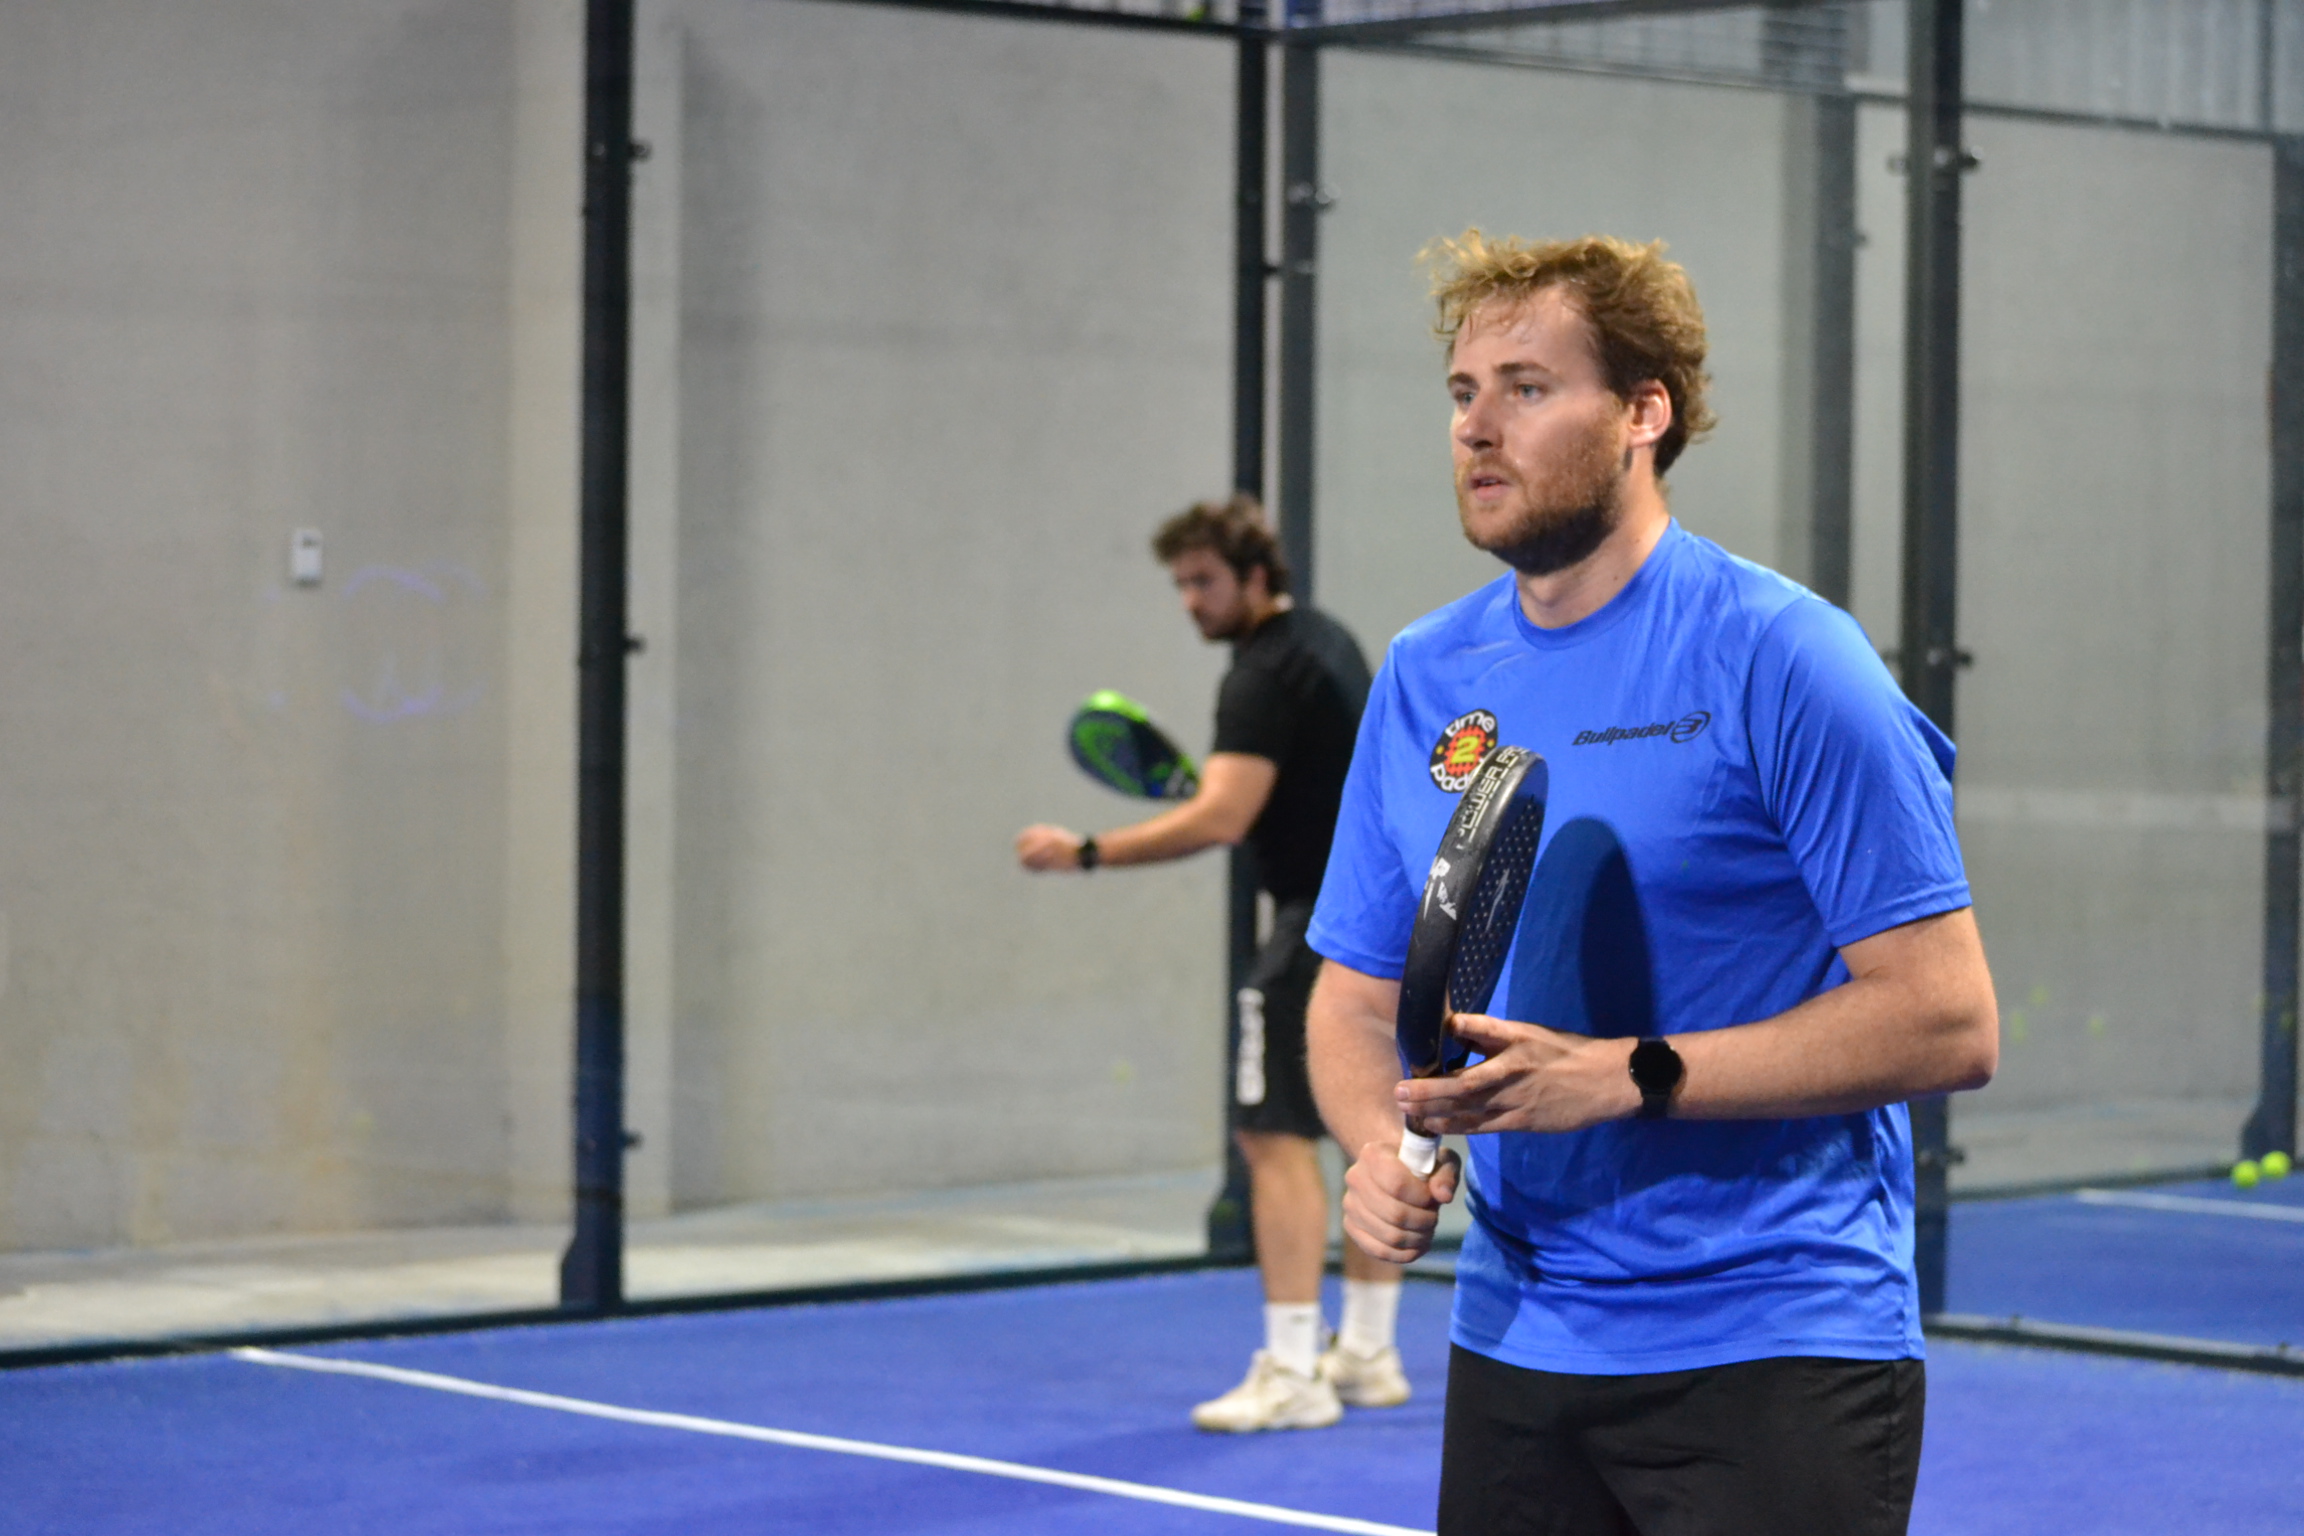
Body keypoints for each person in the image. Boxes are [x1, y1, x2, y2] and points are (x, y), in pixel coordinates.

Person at [1304, 231, 1999, 1533]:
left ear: (1644, 412)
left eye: (1527, 387)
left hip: (1777, 1335)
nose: (1477, 427)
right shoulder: (1423, 675)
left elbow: (1947, 1019)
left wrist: (1631, 1074)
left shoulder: (1787, 657)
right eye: (1463, 392)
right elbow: (1352, 993)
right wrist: (1374, 1154)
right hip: (1517, 1338)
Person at [1017, 495, 1407, 1433]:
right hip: (1389, 922)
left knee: (1272, 1139)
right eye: (1181, 585)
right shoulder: (1326, 643)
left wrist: (1088, 852)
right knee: (1375, 1134)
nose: (1191, 601)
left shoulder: (1261, 675)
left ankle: (1293, 1370)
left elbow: (1222, 815)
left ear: (1255, 576)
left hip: (1318, 929)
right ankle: (1366, 1354)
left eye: (1204, 581)